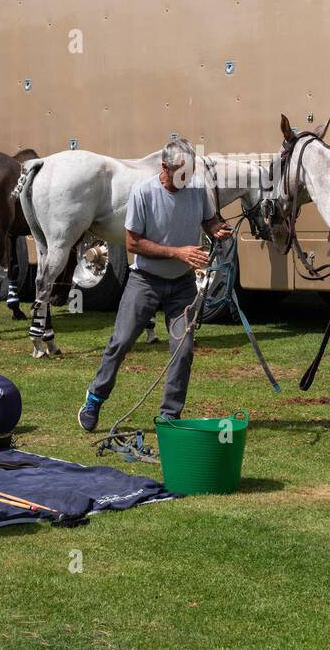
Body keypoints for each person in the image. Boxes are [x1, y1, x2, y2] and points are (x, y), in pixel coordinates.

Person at [78, 138, 232, 431]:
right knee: (122, 341)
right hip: (145, 282)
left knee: (183, 349)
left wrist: (218, 230)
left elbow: (209, 221)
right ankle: (95, 396)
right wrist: (179, 252)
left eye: (190, 171)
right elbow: (132, 243)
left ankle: (170, 417)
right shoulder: (143, 193)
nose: (187, 178)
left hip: (182, 285)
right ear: (164, 167)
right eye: (181, 172)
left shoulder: (197, 189)